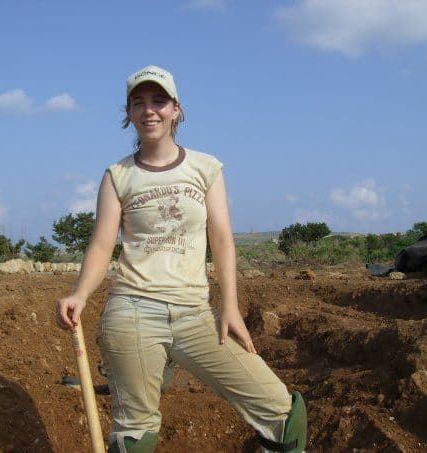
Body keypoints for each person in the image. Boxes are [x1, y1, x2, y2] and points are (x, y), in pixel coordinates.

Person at [56, 65, 307, 453]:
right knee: (135, 433)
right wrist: (80, 294)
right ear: (129, 114)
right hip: (133, 310)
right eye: (138, 103)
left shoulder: (206, 168)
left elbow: (221, 239)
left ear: (176, 109)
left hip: (195, 313)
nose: (149, 110)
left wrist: (230, 306)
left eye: (159, 101)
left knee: (282, 413)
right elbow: (102, 244)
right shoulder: (117, 175)